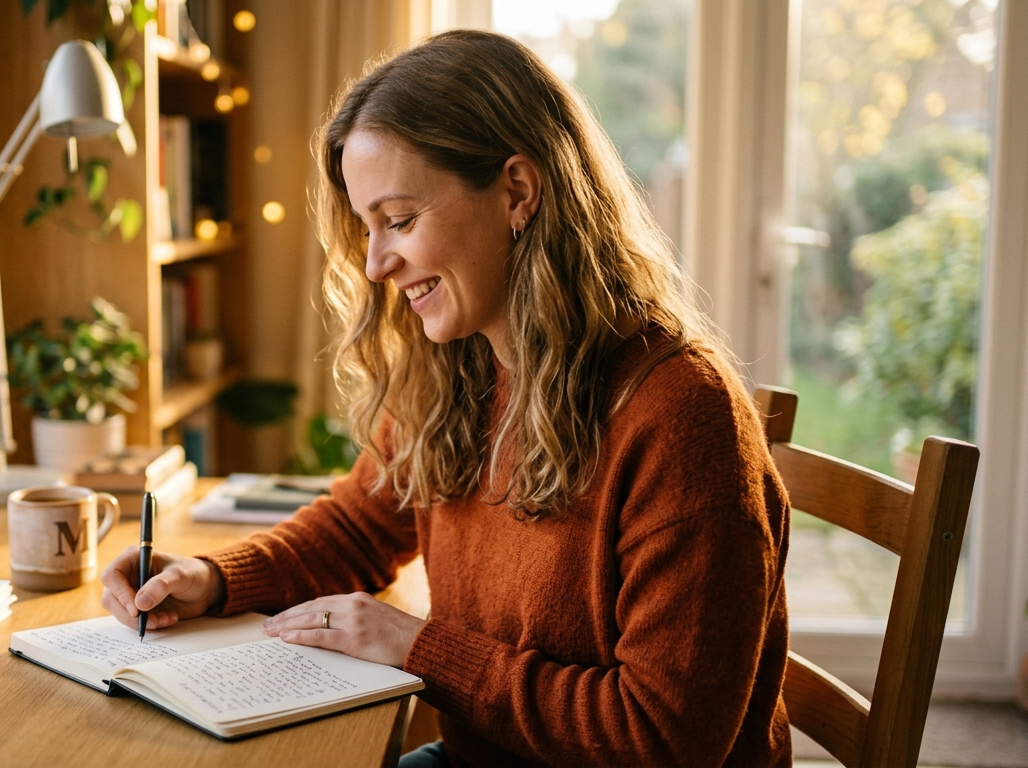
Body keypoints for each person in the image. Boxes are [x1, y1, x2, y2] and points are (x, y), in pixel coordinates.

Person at [101, 29, 791, 767]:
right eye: (368, 229)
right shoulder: (460, 370)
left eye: (399, 221)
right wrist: (214, 578)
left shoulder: (682, 413)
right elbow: (360, 527)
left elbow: (663, 740)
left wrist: (419, 648)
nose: (375, 264)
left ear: (517, 193)